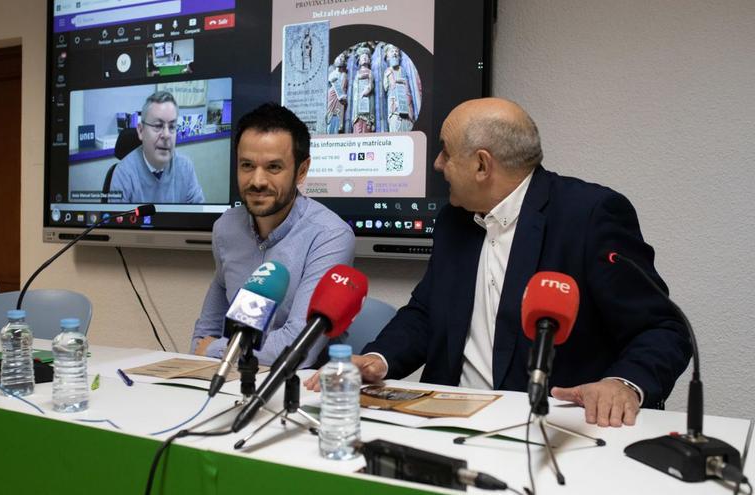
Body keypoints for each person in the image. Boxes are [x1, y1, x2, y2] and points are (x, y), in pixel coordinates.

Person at [306, 98, 691, 427]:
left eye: (445, 151)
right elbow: (426, 313)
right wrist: (377, 360)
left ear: (481, 165)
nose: (438, 165)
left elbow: (662, 329)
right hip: (446, 423)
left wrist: (623, 384)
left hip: (548, 427)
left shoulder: (589, 215)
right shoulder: (453, 220)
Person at [190, 103, 355, 367]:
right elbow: (204, 333)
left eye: (274, 167)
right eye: (247, 165)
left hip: (300, 389)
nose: (257, 180)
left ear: (301, 171)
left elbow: (298, 348)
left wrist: (215, 349)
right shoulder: (225, 228)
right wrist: (207, 348)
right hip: (233, 380)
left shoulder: (329, 236)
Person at [109, 91, 205, 204]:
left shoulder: (185, 167)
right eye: (158, 126)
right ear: (141, 131)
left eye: (172, 127)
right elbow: (117, 220)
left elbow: (198, 214)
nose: (166, 135)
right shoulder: (123, 173)